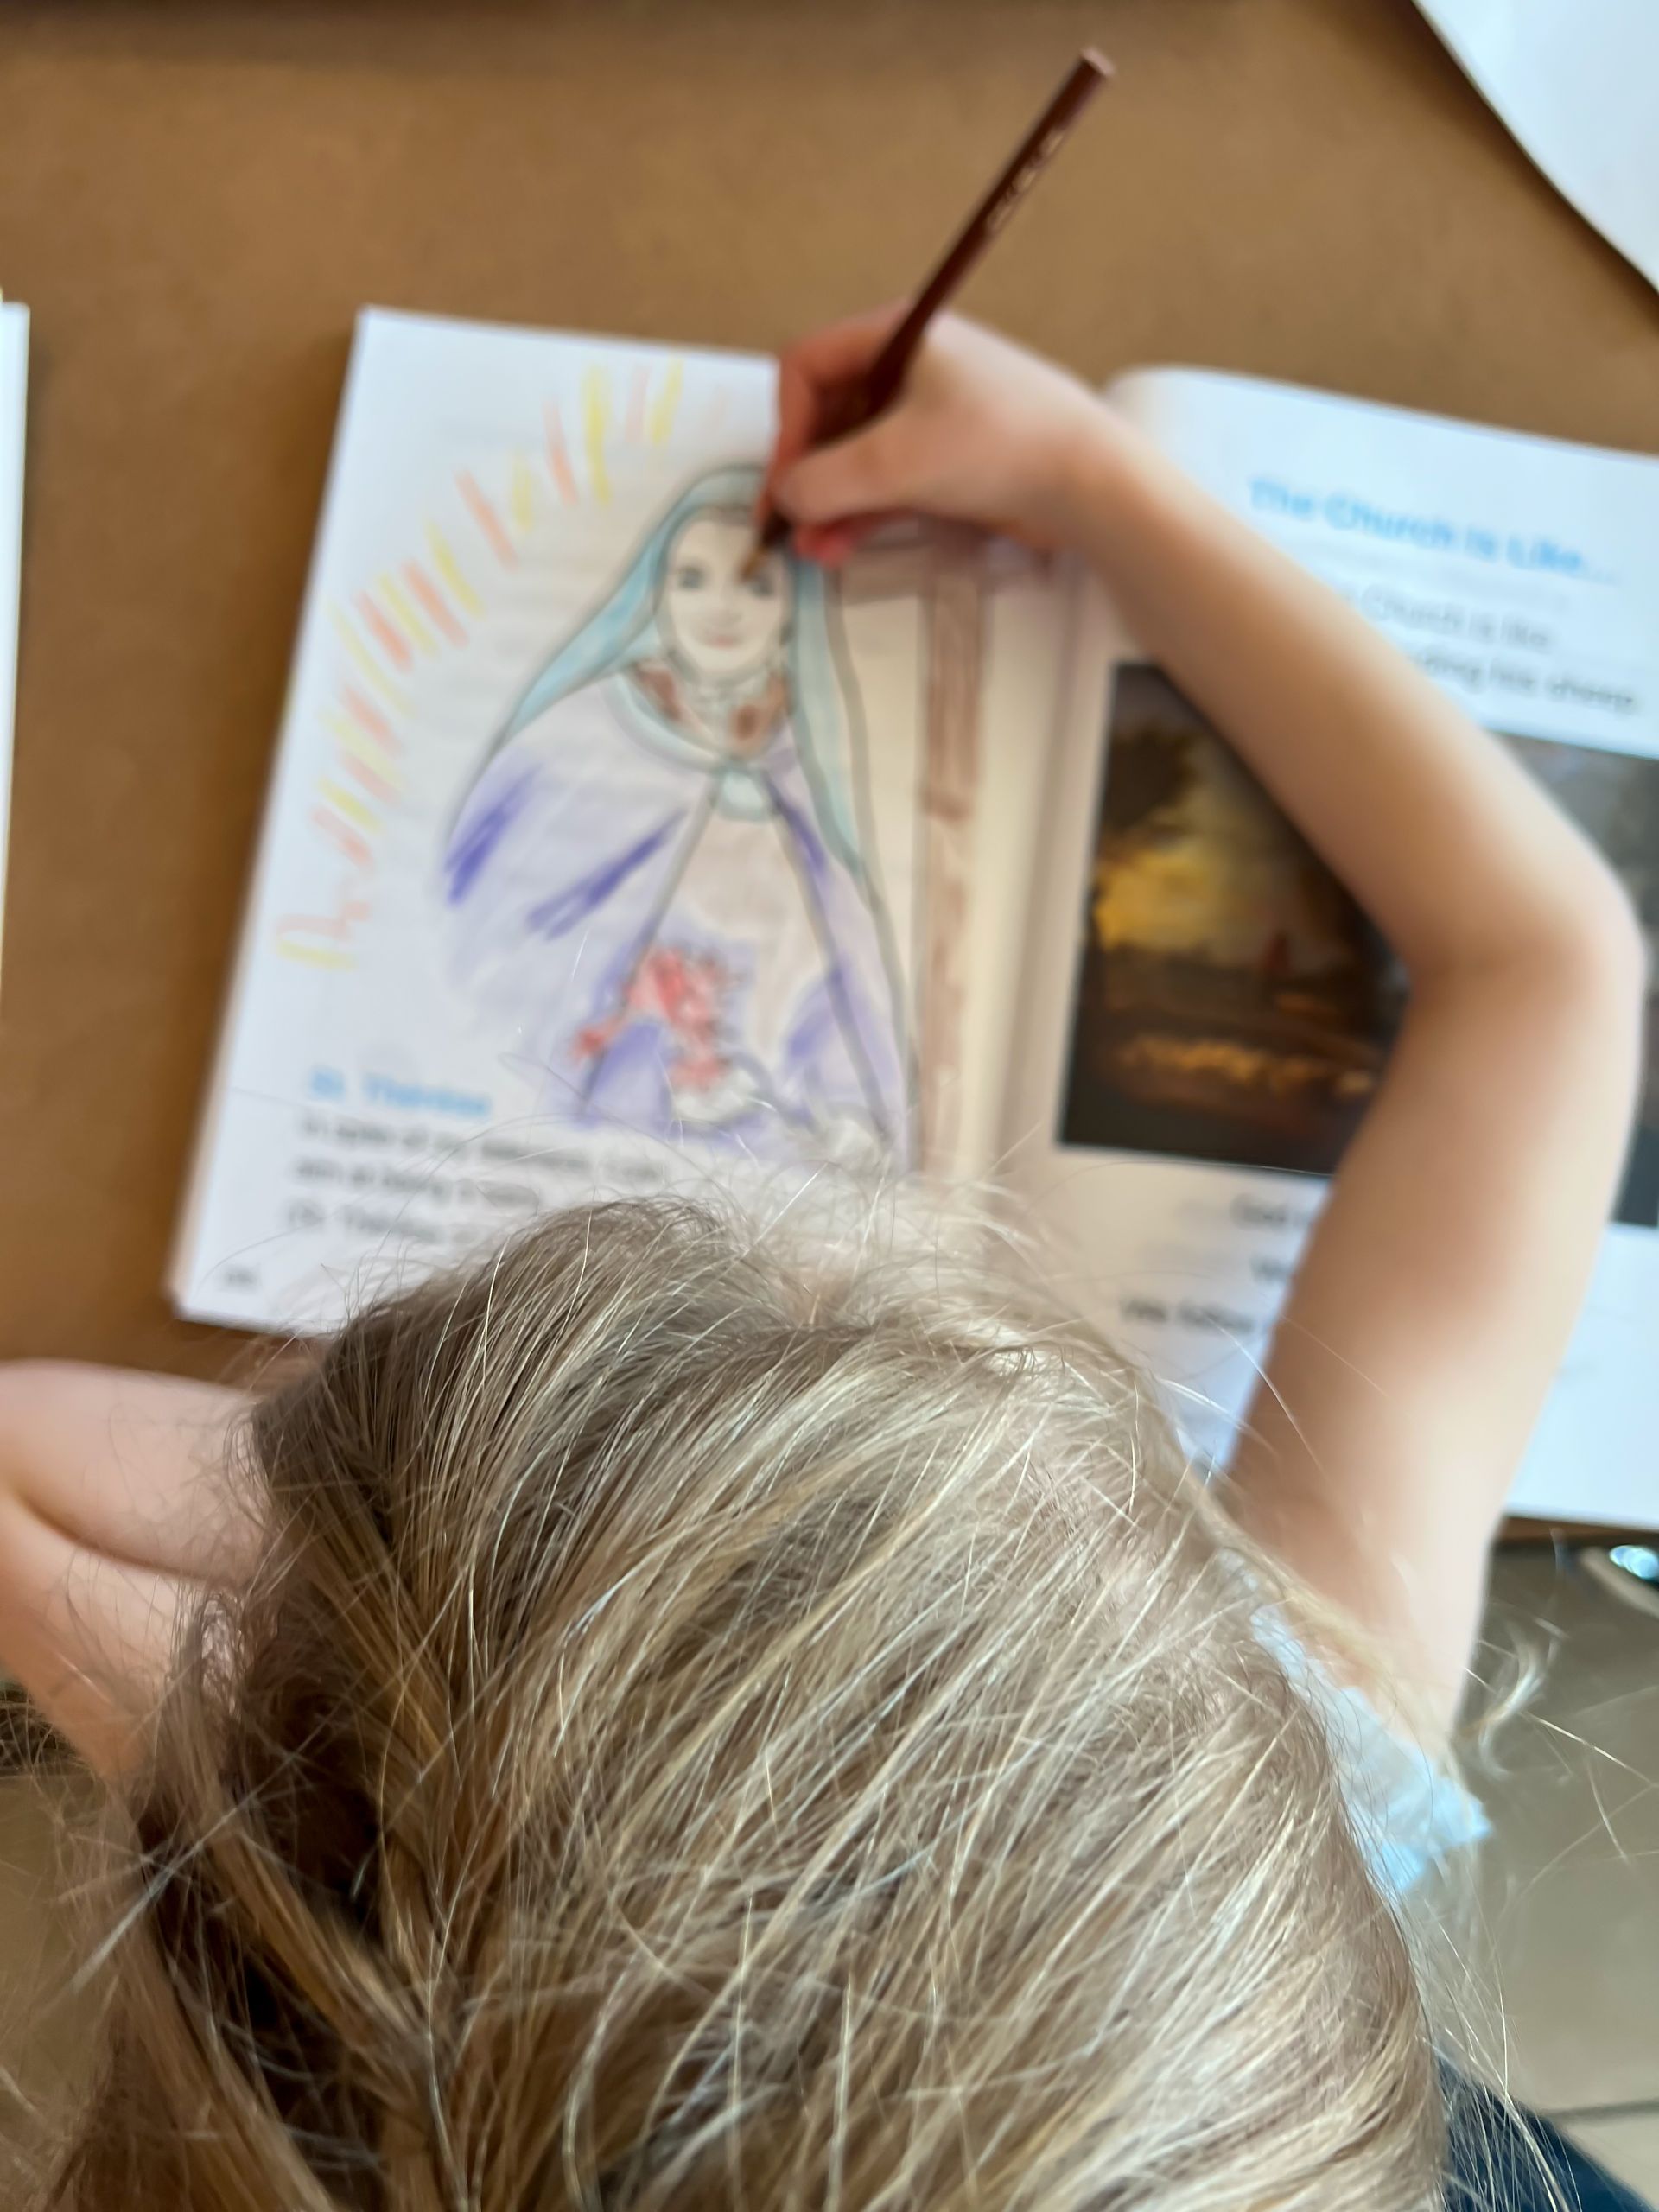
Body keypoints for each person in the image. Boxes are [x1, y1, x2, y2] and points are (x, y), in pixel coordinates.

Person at [0, 312, 1644, 2209]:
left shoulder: (1206, 1885)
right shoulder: (1267, 1796)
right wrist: (1087, 478)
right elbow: (1552, 963)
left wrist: (328, 1762)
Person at [444, 464, 912, 1160]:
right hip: (602, 1118)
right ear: (655, 593)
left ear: (793, 610)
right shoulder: (587, 727)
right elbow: (489, 916)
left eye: (757, 585)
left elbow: (845, 968)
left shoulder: (802, 754)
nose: (721, 609)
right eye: (692, 580)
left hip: (778, 1118)